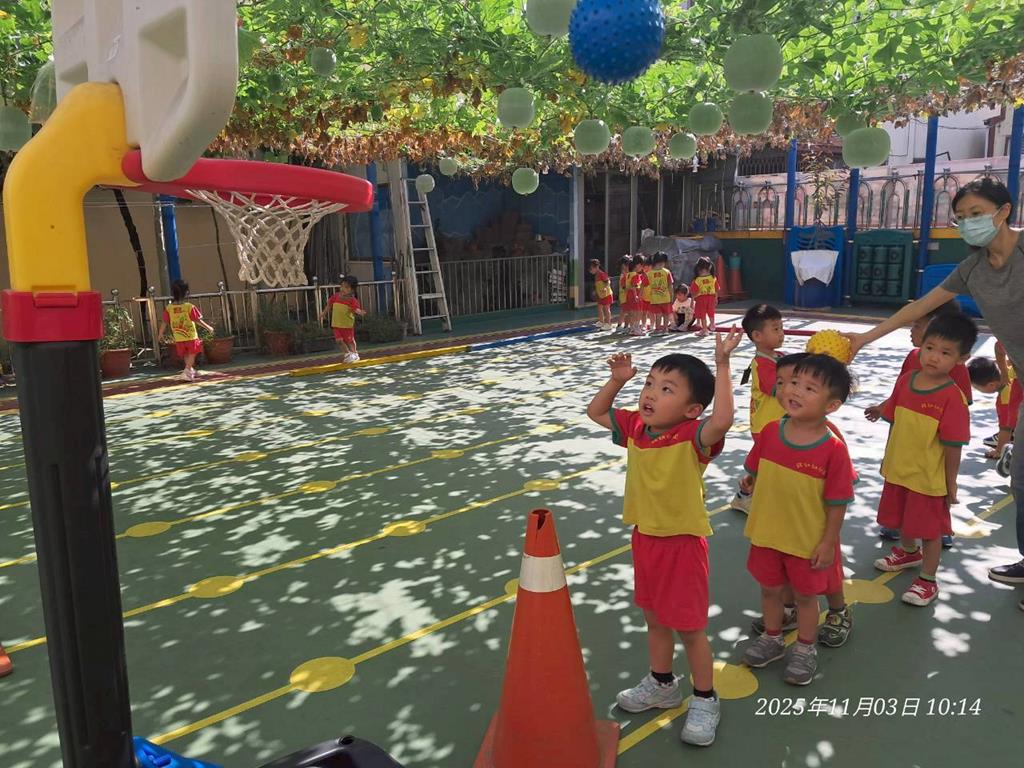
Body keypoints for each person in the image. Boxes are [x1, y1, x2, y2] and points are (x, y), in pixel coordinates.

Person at [845, 177, 1024, 609]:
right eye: (960, 217)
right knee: (1021, 479)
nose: (968, 223)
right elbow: (918, 308)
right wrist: (863, 339)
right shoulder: (973, 269)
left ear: (1004, 212)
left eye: (976, 213)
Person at [586, 328, 742, 747]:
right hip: (645, 538)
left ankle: (705, 698)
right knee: (654, 619)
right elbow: (596, 412)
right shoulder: (637, 427)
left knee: (689, 629)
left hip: (682, 545)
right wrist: (617, 380)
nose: (651, 393)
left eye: (667, 388)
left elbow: (722, 420)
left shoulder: (693, 436)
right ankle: (662, 684)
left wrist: (723, 364)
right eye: (650, 383)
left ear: (692, 410)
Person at [739, 355, 856, 685]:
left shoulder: (833, 449)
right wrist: (751, 480)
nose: (794, 391)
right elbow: (756, 467)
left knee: (806, 597)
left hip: (805, 541)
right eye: (792, 382)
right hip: (767, 533)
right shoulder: (770, 432)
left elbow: (837, 502)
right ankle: (773, 638)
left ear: (831, 405)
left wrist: (828, 542)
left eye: (809, 388)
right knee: (770, 591)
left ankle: (805, 648)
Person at [871, 313, 976, 607]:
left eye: (945, 353)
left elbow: (953, 446)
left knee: (930, 531)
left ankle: (928, 580)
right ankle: (908, 553)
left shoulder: (952, 398)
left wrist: (950, 482)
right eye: (929, 347)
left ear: (961, 359)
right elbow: (895, 417)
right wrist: (881, 417)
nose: (933, 357)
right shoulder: (906, 381)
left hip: (929, 477)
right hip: (899, 468)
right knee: (901, 517)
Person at [863, 298, 967, 546]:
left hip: (931, 444)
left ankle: (939, 527)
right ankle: (898, 524)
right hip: (904, 437)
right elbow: (902, 392)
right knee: (899, 477)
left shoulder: (956, 370)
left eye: (918, 325)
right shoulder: (913, 358)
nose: (912, 330)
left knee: (932, 486)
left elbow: (958, 413)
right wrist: (883, 407)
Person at [731, 304, 786, 514]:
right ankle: (744, 497)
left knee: (769, 465)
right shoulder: (762, 364)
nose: (781, 333)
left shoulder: (779, 356)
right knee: (764, 466)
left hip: (778, 424)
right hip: (765, 426)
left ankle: (751, 495)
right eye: (775, 329)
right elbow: (778, 389)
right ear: (757, 336)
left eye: (781, 328)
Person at [968, 349, 1018, 475]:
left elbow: (1006, 428)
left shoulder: (1005, 399)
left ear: (991, 385)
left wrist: (999, 451)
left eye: (977, 388)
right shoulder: (1009, 370)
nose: (977, 390)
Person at [158, 279, 215, 382]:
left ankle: (190, 370)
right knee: (192, 353)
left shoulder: (169, 308)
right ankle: (187, 370)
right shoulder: (189, 307)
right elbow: (197, 320)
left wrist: (160, 333)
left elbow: (164, 321)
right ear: (186, 293)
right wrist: (208, 327)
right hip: (190, 335)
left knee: (186, 353)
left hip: (178, 336)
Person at [320, 275, 366, 362]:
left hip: (347, 325)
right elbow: (329, 304)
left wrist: (359, 312)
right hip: (336, 324)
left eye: (346, 287)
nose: (343, 289)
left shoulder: (352, 300)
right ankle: (347, 354)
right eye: (342, 286)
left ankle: (354, 353)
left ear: (352, 290)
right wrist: (324, 313)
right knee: (339, 340)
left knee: (350, 341)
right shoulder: (336, 296)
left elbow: (355, 309)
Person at [689, 256, 720, 337]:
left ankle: (704, 329)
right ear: (710, 267)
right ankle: (712, 324)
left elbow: (693, 293)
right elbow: (716, 289)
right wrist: (716, 298)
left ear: (698, 268)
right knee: (711, 312)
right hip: (711, 297)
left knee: (702, 314)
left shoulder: (697, 280)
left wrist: (692, 301)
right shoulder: (713, 278)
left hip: (701, 299)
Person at [647, 252, 674, 332]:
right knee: (666, 314)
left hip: (655, 298)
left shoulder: (649, 273)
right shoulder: (667, 272)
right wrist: (671, 296)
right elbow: (670, 285)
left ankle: (657, 329)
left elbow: (643, 285)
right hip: (666, 297)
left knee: (658, 314)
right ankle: (665, 329)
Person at [589, 259, 614, 330]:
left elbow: (608, 281)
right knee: (599, 307)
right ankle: (601, 321)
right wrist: (595, 291)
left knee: (606, 308)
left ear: (596, 267)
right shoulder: (596, 275)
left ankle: (608, 324)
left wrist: (605, 288)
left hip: (606, 294)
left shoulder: (601, 274)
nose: (590, 271)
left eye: (591, 269)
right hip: (601, 295)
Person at [614, 255, 633, 334]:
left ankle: (619, 326)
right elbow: (625, 287)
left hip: (623, 297)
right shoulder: (625, 275)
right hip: (626, 297)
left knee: (623, 312)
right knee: (628, 312)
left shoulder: (624, 274)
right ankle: (626, 326)